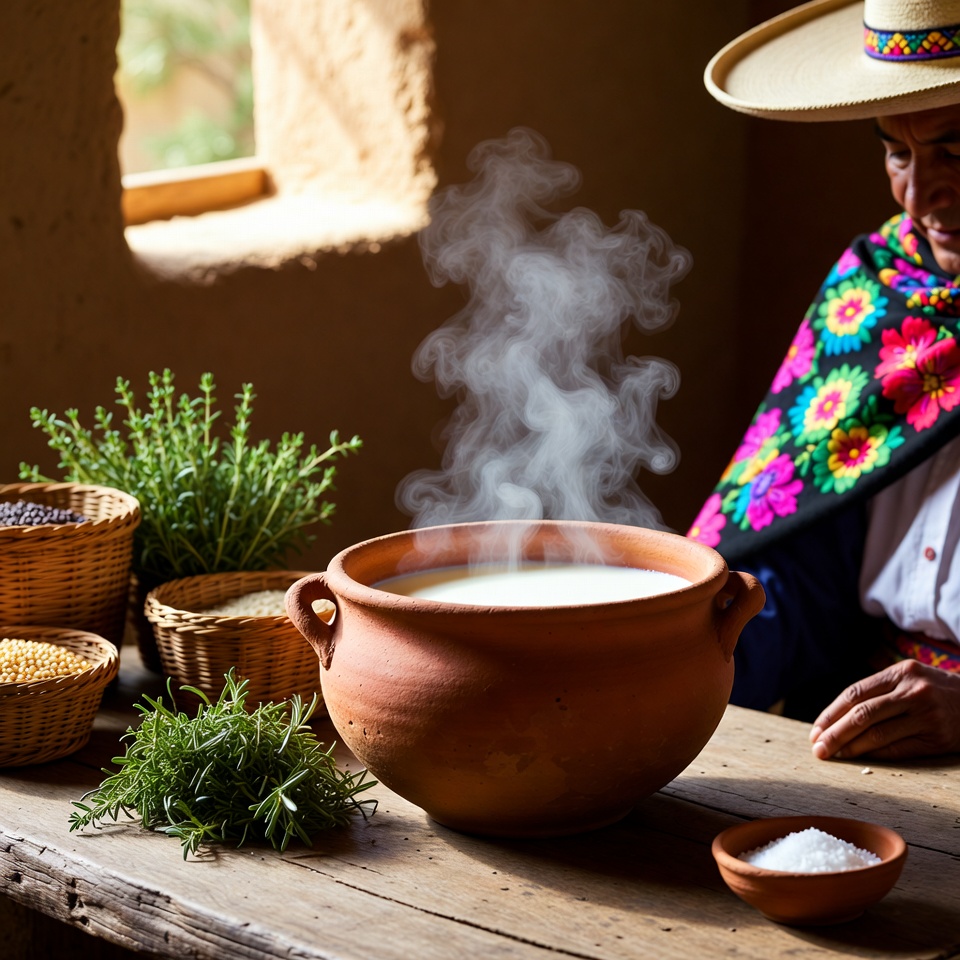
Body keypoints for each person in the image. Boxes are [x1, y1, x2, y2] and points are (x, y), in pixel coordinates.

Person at [690, 0, 960, 760]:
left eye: (956, 152)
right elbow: (801, 566)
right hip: (851, 740)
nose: (918, 197)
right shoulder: (880, 293)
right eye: (898, 153)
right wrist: (682, 650)